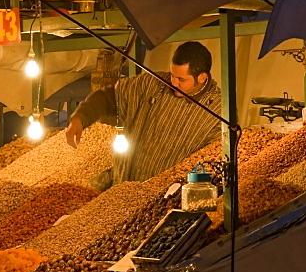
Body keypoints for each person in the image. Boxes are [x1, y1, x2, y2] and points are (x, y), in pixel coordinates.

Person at [65, 41, 222, 183]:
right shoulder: (152, 83)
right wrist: (81, 118)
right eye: (173, 75)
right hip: (122, 189)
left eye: (181, 80)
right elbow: (109, 97)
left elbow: (211, 163)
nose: (173, 83)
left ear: (201, 78)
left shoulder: (218, 111)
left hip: (166, 201)